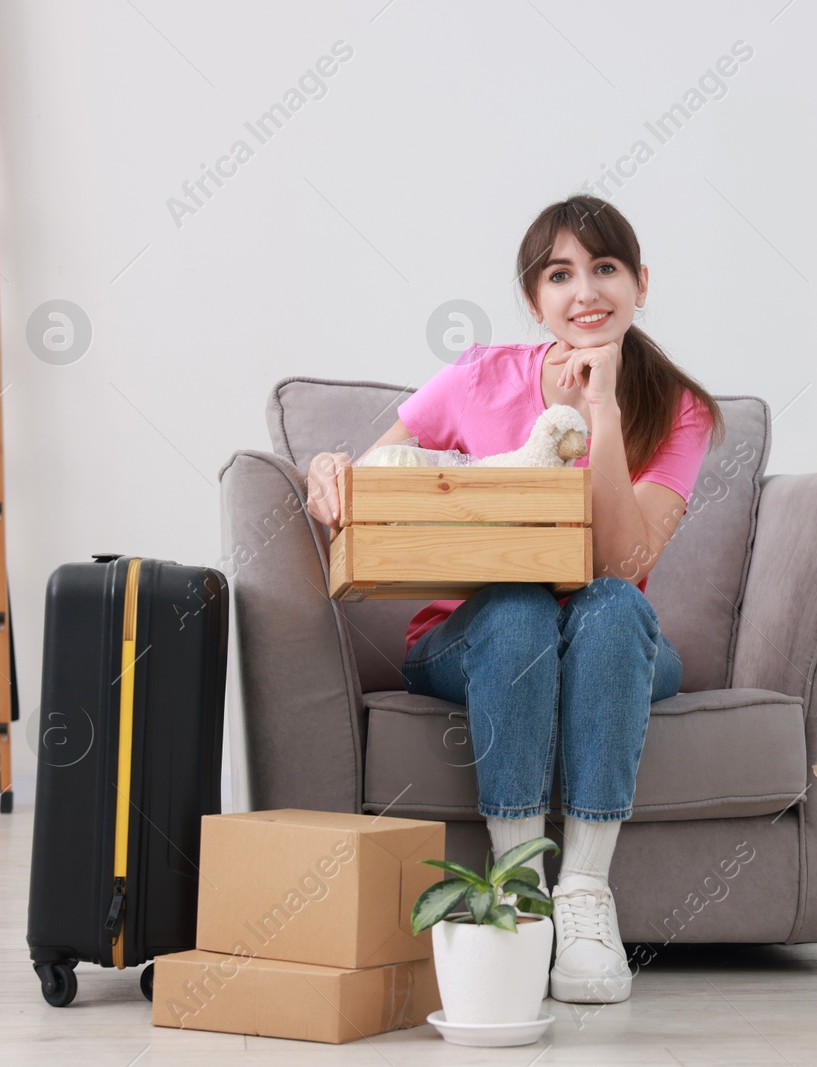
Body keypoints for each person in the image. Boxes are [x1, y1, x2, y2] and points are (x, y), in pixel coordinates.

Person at [305, 194, 724, 1003]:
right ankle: (523, 886)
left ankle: (585, 894)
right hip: (474, 634)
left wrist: (597, 410)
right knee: (522, 607)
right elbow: (381, 482)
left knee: (613, 604)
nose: (586, 291)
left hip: (609, 633)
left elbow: (624, 556)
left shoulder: (680, 409)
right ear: (535, 302)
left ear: (641, 281)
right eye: (560, 274)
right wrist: (329, 472)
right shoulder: (478, 377)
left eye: (605, 268)